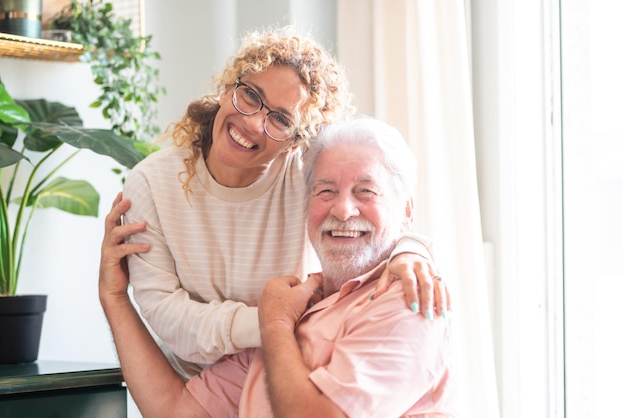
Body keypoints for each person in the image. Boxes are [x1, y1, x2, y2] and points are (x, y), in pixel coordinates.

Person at [101, 26, 449, 379]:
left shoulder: (306, 176)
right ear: (226, 90)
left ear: (297, 142)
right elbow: (164, 314)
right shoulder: (151, 183)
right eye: (250, 95)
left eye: (281, 119)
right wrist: (269, 321)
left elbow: (369, 212)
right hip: (197, 389)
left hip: (292, 373)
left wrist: (411, 250)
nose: (253, 122)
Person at [99, 116, 456, 417]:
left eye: (366, 191)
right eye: (325, 191)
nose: (343, 210)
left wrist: (275, 326)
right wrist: (115, 300)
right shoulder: (297, 305)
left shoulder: (410, 300)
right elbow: (177, 411)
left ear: (406, 211)